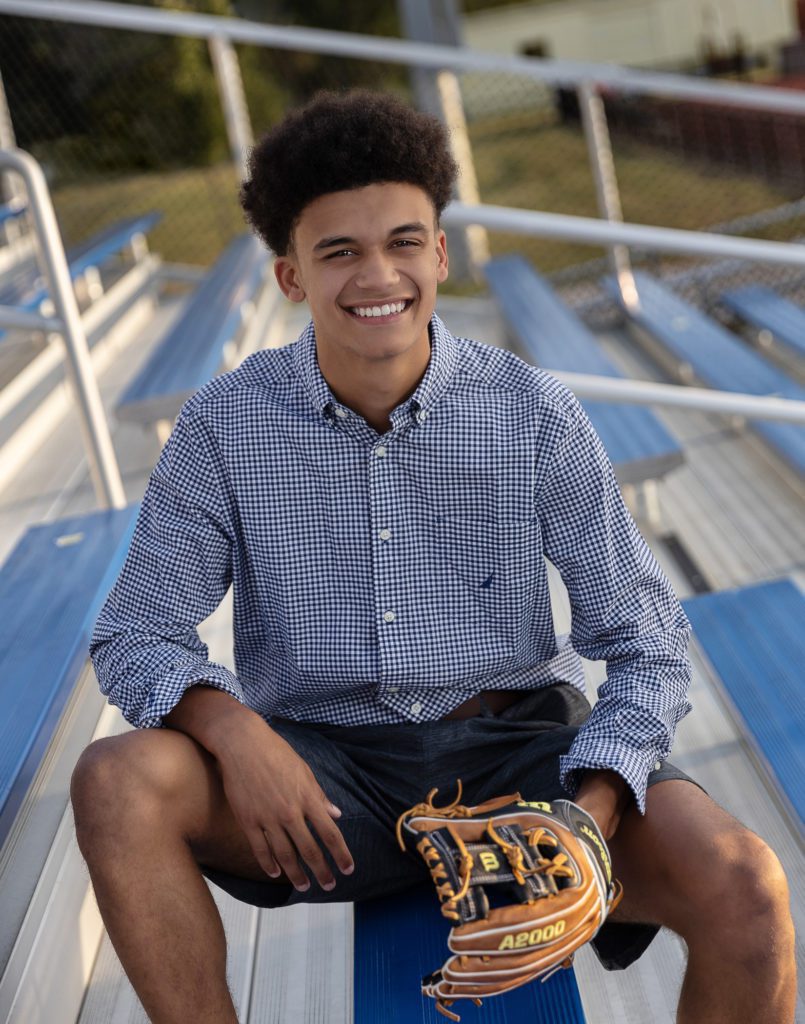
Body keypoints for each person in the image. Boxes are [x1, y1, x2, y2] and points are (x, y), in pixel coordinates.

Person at [70, 90, 796, 1024]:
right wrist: (233, 728)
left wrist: (589, 814)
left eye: (404, 241)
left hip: (521, 760)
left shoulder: (532, 412)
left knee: (747, 886)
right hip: (322, 781)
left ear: (440, 255)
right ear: (291, 276)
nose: (379, 274)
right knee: (115, 779)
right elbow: (136, 632)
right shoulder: (222, 426)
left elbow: (646, 639)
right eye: (339, 251)